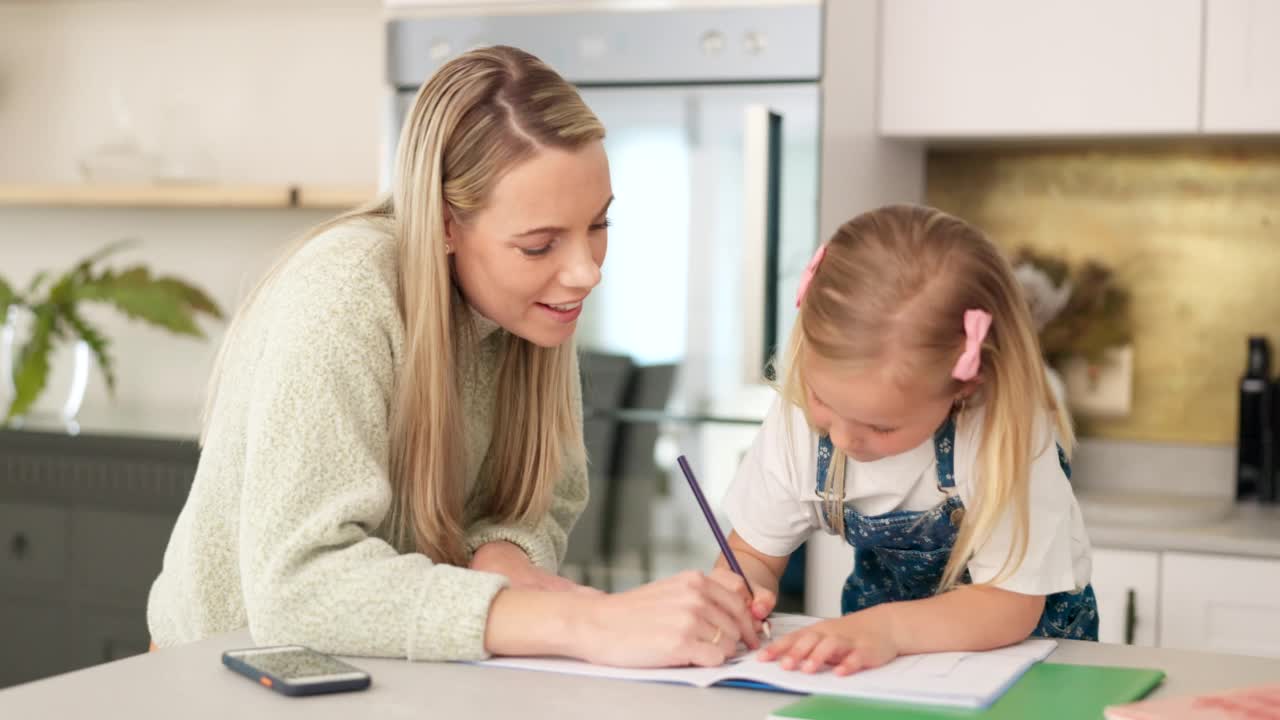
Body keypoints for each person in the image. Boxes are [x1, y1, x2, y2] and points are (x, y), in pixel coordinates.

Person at [147, 45, 759, 668]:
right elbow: (298, 586)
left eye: (598, 225)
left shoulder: (532, 307)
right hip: (223, 674)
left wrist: (501, 552)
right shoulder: (345, 290)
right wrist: (585, 621)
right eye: (539, 244)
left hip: (382, 674)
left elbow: (548, 502)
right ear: (443, 224)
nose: (584, 273)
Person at [713, 204, 1098, 676]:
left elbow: (1010, 605)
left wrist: (888, 631)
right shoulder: (798, 419)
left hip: (1027, 664)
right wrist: (735, 594)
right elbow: (752, 553)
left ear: (964, 387)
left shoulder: (1003, 435)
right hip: (888, 661)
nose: (842, 436)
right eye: (822, 400)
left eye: (881, 426)